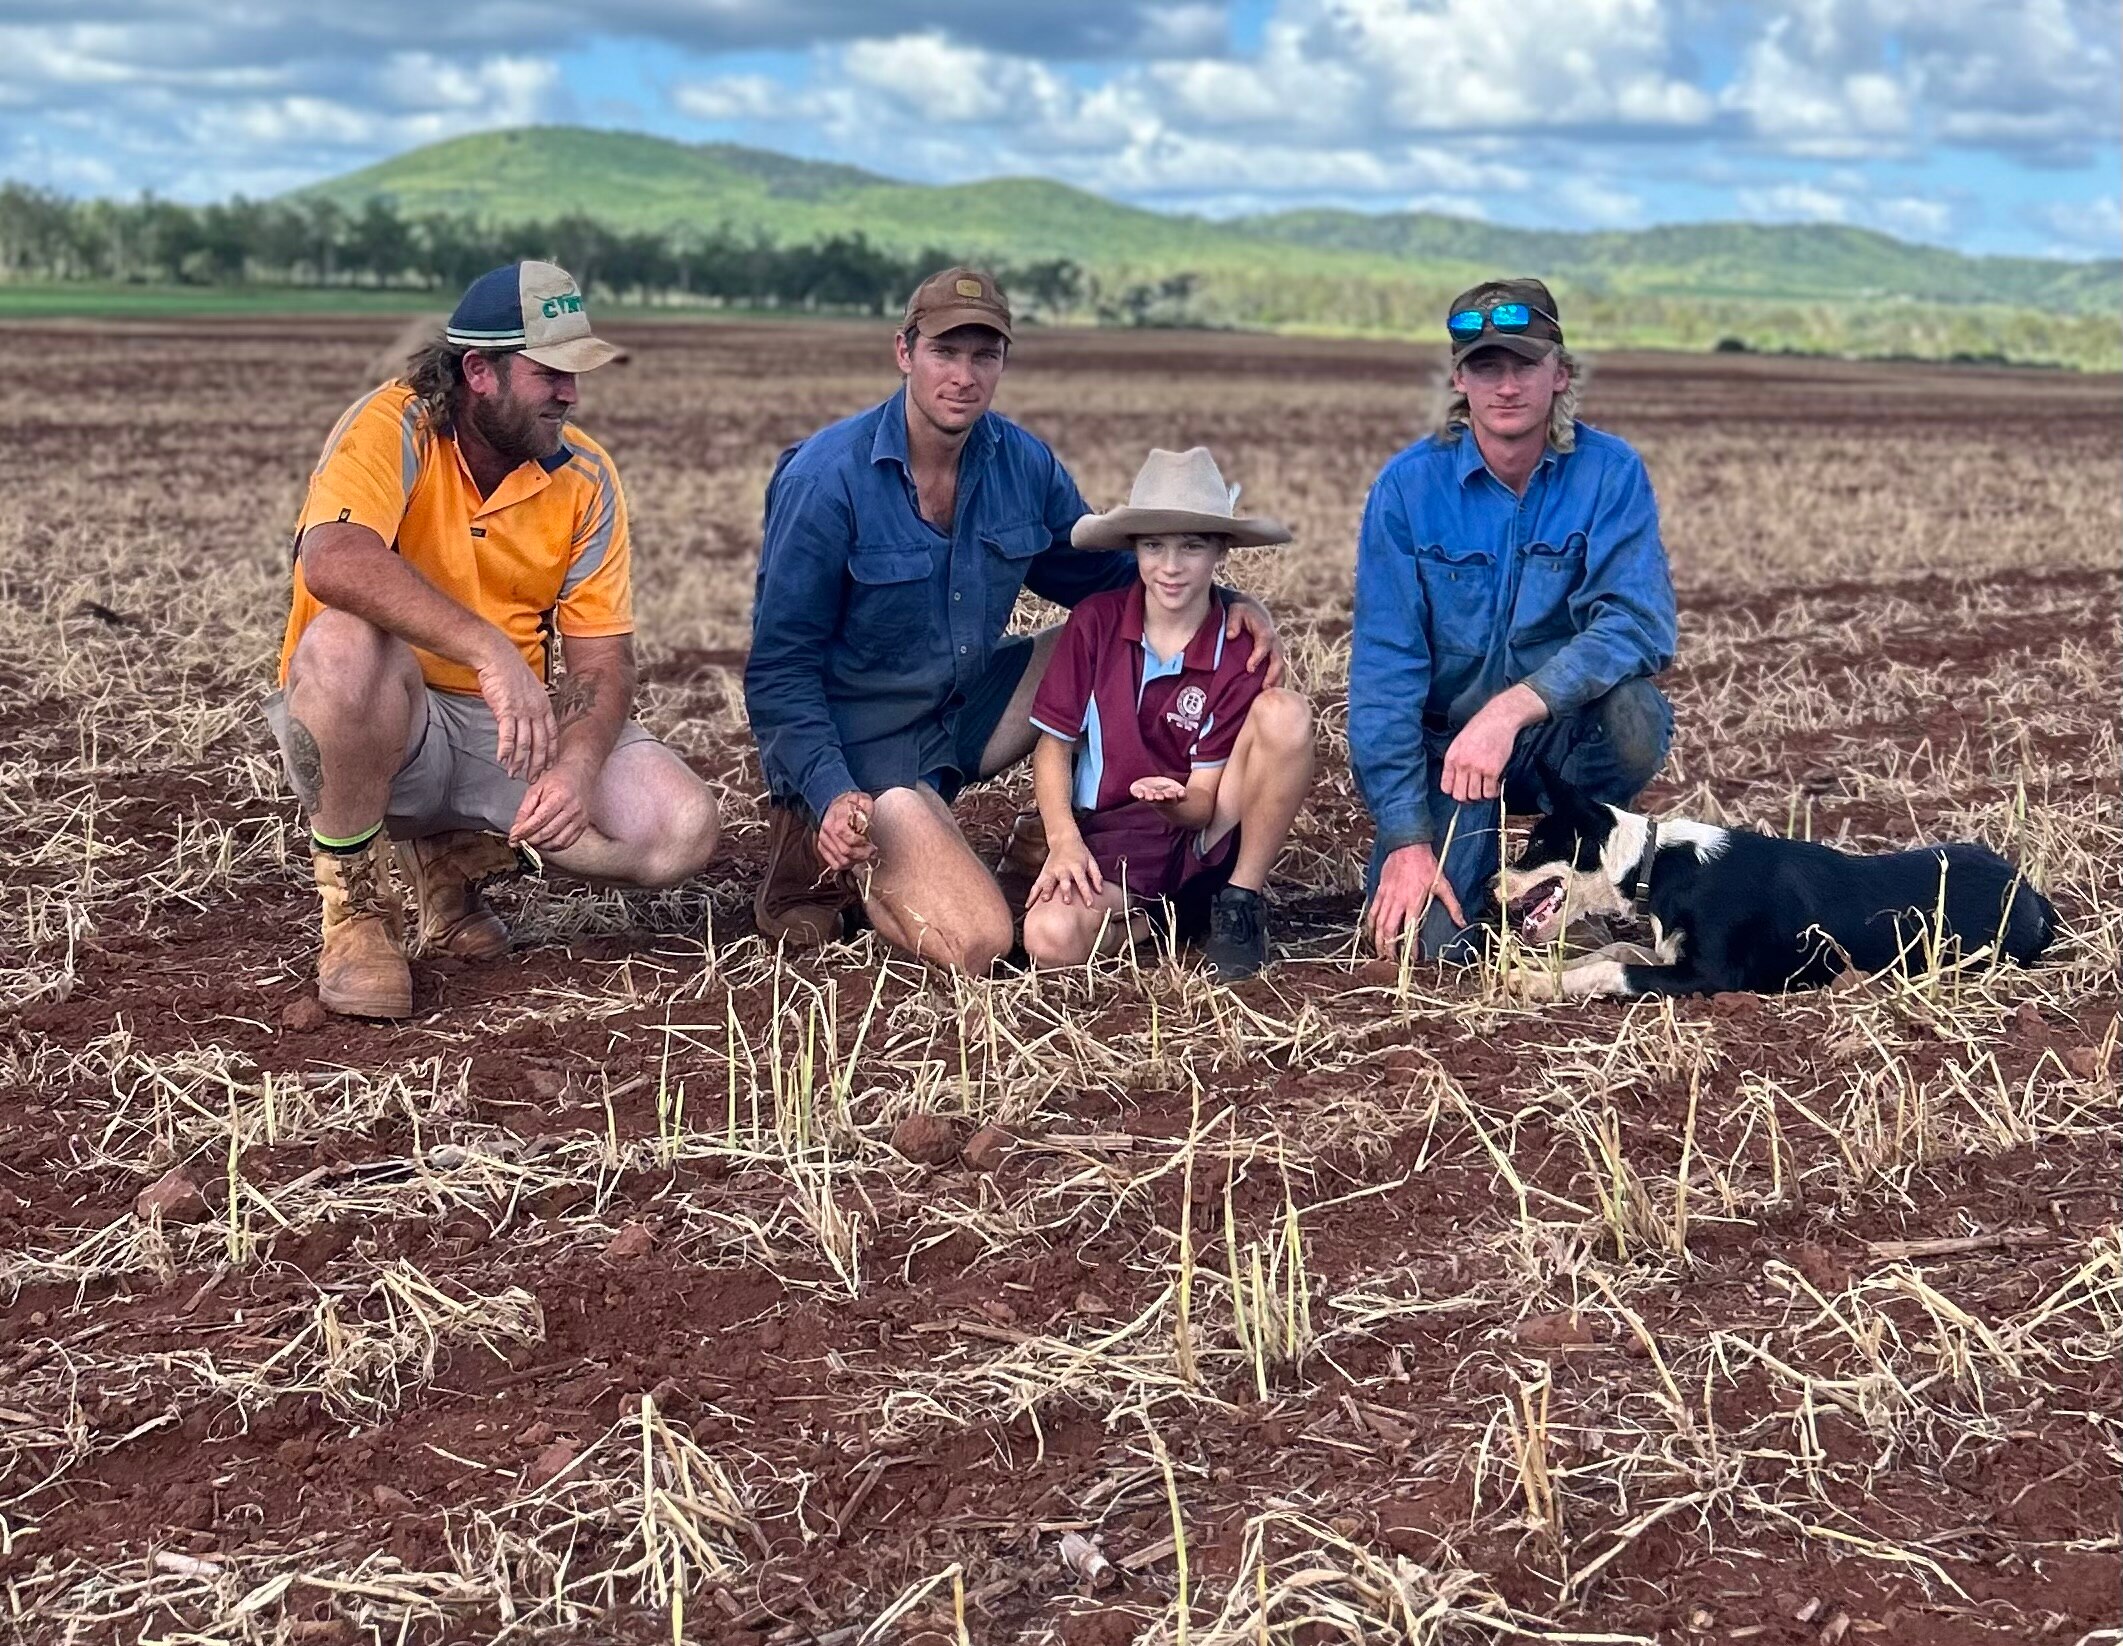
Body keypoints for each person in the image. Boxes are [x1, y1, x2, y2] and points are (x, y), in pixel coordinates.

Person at [744, 267, 1286, 974]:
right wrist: (828, 786)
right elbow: (778, 671)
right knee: (979, 940)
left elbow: (1111, 578)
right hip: (861, 745)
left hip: (958, 712)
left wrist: (1232, 605)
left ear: (1002, 362)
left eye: (983, 355)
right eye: (945, 352)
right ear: (903, 352)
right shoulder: (826, 480)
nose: (963, 376)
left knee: (1098, 639)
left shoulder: (1019, 463)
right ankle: (822, 844)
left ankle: (1084, 834)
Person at [265, 260, 722, 1018]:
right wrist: (489, 649)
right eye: (551, 374)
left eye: (576, 374)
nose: (571, 394)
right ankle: (355, 913)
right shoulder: (394, 425)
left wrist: (575, 769)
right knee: (344, 644)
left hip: (500, 730)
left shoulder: (587, 478)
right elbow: (332, 561)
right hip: (386, 718)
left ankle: (453, 868)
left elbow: (600, 659)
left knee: (678, 828)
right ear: (480, 371)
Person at [1351, 278, 1677, 961]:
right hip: (1450, 760)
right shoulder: (1406, 489)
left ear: (1558, 374)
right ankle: (1450, 866)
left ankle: (1568, 856)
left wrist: (1509, 712)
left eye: (1523, 365)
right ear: (1457, 377)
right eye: (1485, 366)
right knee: (1425, 951)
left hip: (1551, 740)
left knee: (1633, 713)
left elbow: (1637, 623)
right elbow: (1384, 674)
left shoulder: (1608, 473)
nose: (1505, 386)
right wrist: (1408, 838)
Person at [1021, 449, 1313, 981]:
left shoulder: (1237, 646)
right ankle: (1152, 922)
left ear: (1221, 550)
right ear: (1133, 548)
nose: (1171, 567)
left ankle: (1238, 900)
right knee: (1048, 939)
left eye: (1192, 546)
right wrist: (1063, 840)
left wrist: (1174, 804)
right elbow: (1053, 745)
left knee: (1286, 712)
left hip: (1203, 835)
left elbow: (1202, 805)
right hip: (1113, 835)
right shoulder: (1094, 622)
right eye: (1153, 545)